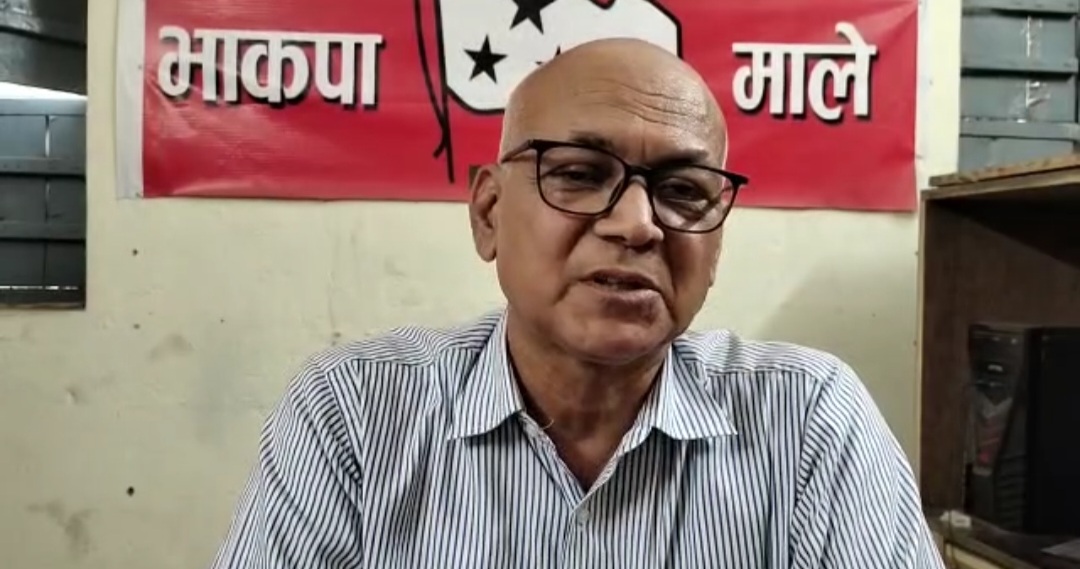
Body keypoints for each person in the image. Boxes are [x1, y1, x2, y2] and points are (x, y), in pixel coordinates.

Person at [210, 38, 943, 568]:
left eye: (683, 190)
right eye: (580, 174)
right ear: (489, 213)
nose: (638, 224)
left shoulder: (810, 418)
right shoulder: (356, 412)